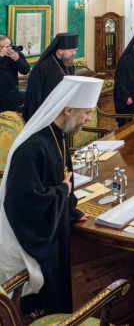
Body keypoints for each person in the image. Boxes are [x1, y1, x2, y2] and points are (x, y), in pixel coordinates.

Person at [0, 76, 102, 316]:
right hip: (25, 236)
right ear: (68, 110)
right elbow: (23, 203)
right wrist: (63, 192)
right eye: (87, 113)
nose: (90, 118)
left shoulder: (60, 134)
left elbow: (63, 177)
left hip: (49, 223)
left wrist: (70, 210)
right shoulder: (32, 146)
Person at [22, 32, 79, 121]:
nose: (74, 53)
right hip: (46, 109)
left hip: (64, 107)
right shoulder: (43, 67)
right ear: (60, 50)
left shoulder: (68, 62)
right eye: (71, 50)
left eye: (75, 50)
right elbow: (35, 94)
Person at [0, 36, 30, 113]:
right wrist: (1, 56)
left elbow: (25, 71)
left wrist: (17, 59)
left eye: (9, 45)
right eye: (3, 47)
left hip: (11, 95)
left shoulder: (17, 54)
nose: (7, 48)